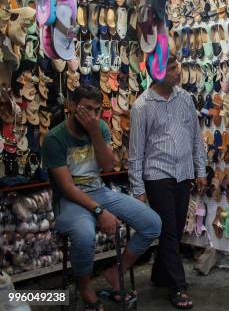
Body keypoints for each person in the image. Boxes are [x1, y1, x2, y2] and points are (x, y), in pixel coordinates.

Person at [42, 85, 161, 311]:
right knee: (84, 234)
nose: (92, 115)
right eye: (87, 109)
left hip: (99, 191)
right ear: (71, 106)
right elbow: (67, 188)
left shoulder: (101, 128)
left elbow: (108, 167)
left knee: (152, 224)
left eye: (97, 110)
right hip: (70, 200)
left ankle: (116, 272)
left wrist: (95, 131)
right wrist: (98, 211)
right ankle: (85, 287)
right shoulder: (54, 139)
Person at [129, 55, 207, 310]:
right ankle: (178, 287)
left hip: (183, 173)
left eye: (177, 67)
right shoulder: (142, 106)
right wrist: (138, 190)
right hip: (157, 175)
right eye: (172, 68)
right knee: (170, 231)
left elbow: (196, 137)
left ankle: (160, 275)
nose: (178, 72)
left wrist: (200, 171)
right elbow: (136, 151)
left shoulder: (184, 98)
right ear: (157, 72)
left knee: (172, 228)